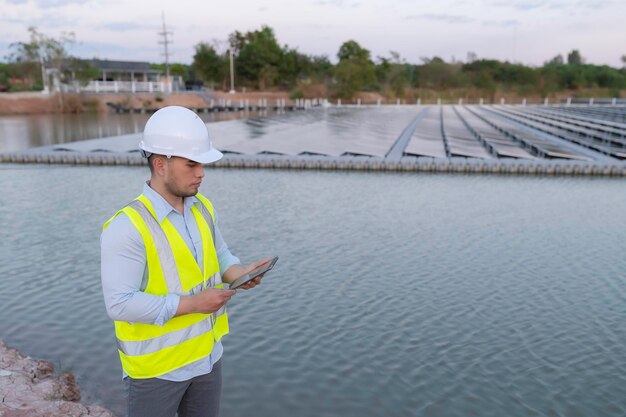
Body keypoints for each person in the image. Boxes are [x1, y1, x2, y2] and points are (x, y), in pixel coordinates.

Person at [100, 105, 269, 417]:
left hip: (206, 359)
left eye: (202, 164)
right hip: (155, 373)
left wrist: (239, 274)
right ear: (161, 164)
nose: (201, 172)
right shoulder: (127, 227)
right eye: (192, 164)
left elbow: (221, 257)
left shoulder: (202, 207)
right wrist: (193, 304)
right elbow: (119, 304)